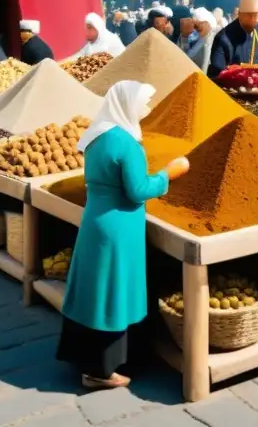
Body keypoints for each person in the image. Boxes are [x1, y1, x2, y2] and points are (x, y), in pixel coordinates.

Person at [57, 81, 189, 389]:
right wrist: (170, 172)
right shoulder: (127, 144)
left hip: (95, 221)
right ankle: (101, 371)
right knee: (113, 293)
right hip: (120, 228)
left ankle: (83, 359)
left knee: (95, 291)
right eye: (142, 104)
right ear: (126, 106)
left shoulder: (97, 135)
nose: (145, 110)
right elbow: (138, 190)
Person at [208, 0, 258, 77]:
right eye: (249, 15)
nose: (253, 20)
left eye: (256, 15)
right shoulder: (223, 39)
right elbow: (218, 73)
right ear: (239, 14)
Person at [187, 8, 218, 73]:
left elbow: (204, 65)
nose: (194, 28)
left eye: (196, 26)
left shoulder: (207, 39)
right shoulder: (202, 36)